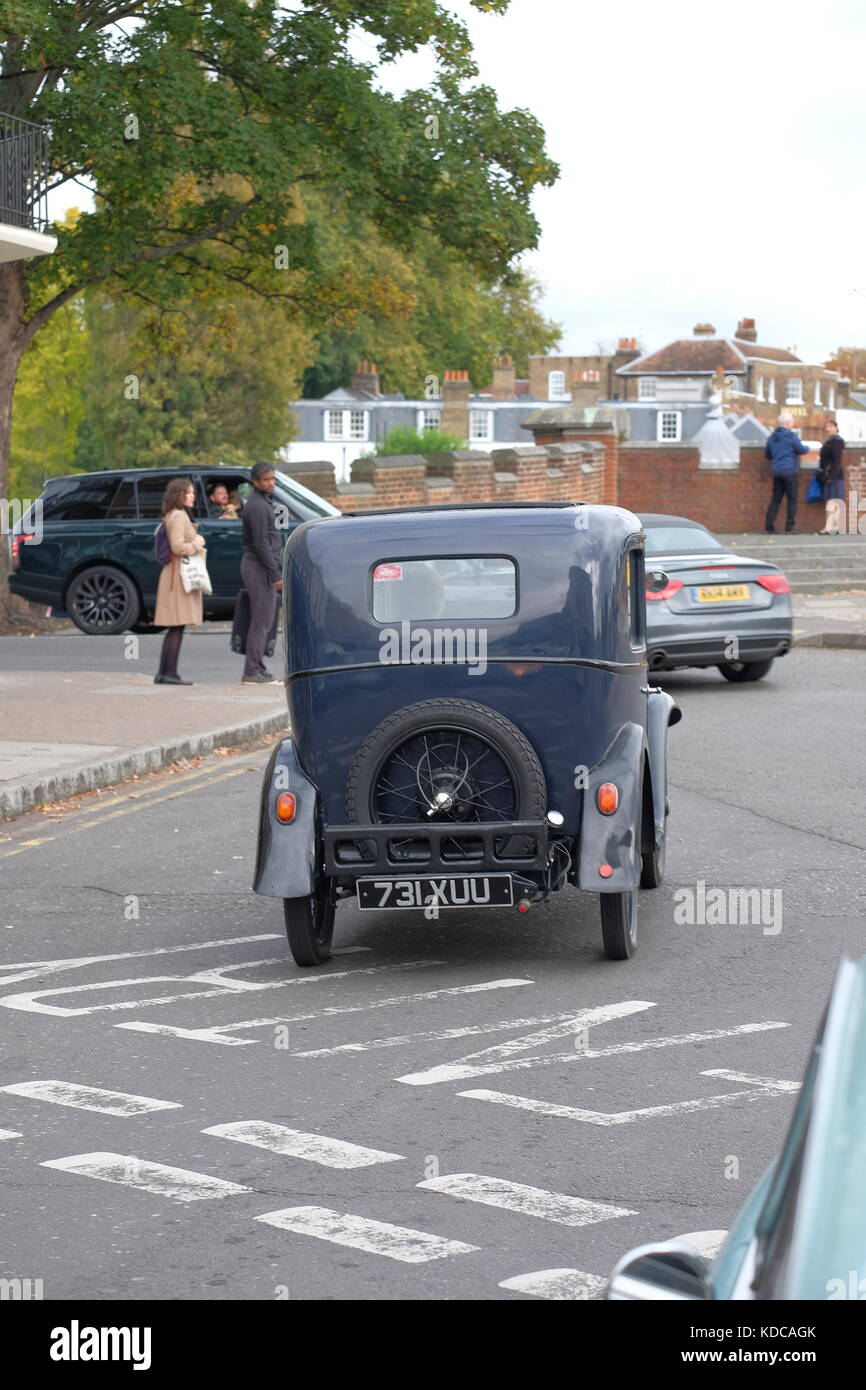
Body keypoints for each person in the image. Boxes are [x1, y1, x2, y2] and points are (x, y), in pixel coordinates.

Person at [154, 477, 206, 685]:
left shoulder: (174, 515)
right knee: (177, 625)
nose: (193, 495)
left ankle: (164, 673)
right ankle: (170, 674)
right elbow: (177, 547)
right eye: (190, 492)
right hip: (178, 577)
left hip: (174, 575)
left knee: (176, 626)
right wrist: (197, 542)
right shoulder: (178, 516)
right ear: (180, 494)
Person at [240, 461, 283, 684]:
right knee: (261, 621)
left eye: (273, 479)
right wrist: (275, 575)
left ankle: (258, 666)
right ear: (255, 482)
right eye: (266, 479)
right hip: (258, 568)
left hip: (261, 566)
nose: (271, 483)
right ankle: (251, 671)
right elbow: (261, 544)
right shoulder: (257, 506)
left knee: (265, 619)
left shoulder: (263, 502)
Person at [764, 410, 809, 534]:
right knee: (792, 499)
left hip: (777, 472)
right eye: (792, 421)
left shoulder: (772, 437)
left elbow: (767, 454)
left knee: (776, 499)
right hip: (789, 471)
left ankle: (768, 526)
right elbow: (802, 450)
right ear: (788, 423)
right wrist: (807, 448)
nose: (793, 423)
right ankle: (789, 528)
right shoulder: (791, 436)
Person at [816, 418, 845, 534]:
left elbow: (837, 460)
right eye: (827, 426)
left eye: (830, 426)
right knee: (834, 500)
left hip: (833, 475)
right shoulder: (830, 441)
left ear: (835, 428)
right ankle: (835, 527)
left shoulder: (836, 441)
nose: (827, 429)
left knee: (831, 500)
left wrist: (832, 477)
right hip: (832, 474)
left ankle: (830, 527)